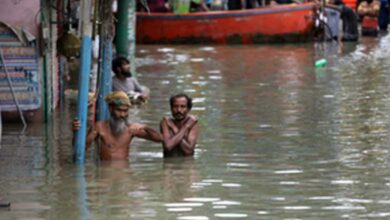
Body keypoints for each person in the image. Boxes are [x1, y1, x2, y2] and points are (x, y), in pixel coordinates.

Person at [72, 91, 162, 160]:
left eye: (125, 111)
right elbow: (80, 150)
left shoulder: (131, 129)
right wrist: (75, 132)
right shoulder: (99, 127)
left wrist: (145, 127)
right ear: (111, 109)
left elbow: (160, 139)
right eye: (119, 110)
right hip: (105, 176)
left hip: (124, 175)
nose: (122, 115)